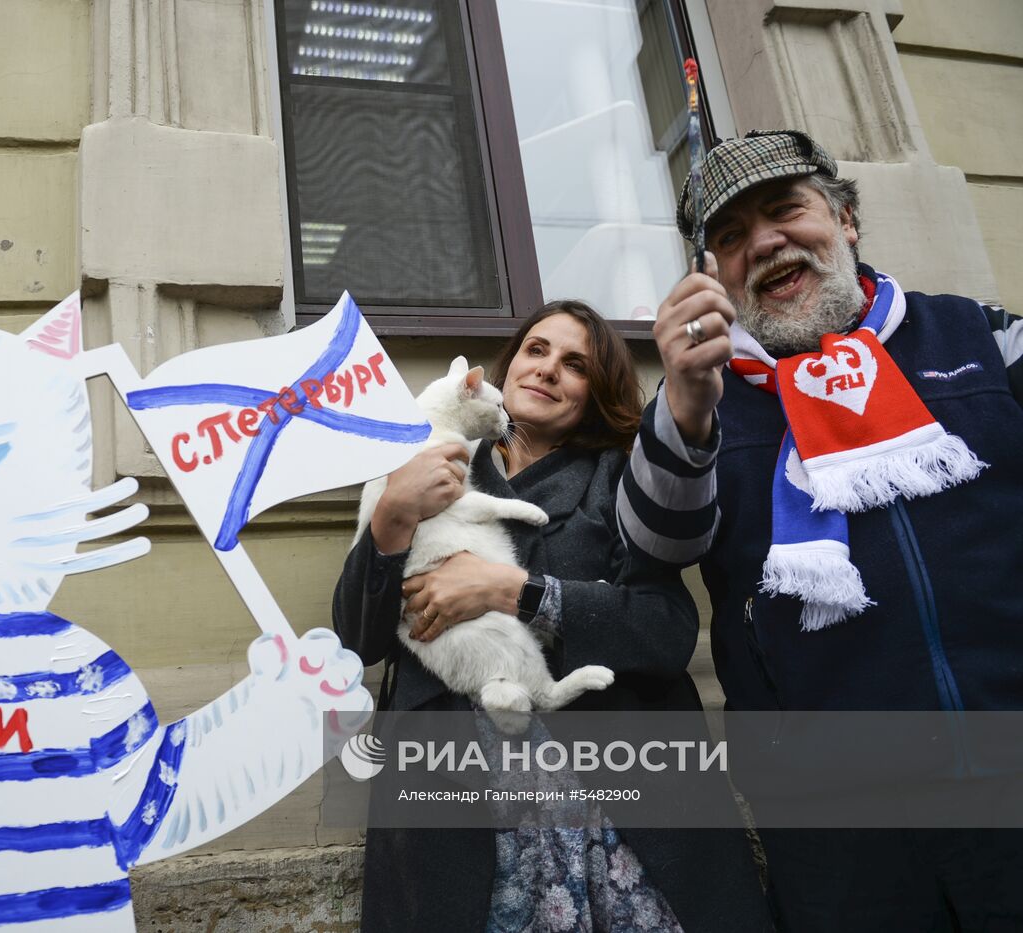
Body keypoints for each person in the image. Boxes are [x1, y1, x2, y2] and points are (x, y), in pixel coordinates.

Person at [618, 129, 1023, 931]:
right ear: (714, 276)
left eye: (784, 211)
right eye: (730, 237)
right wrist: (686, 407)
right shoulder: (703, 394)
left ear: (845, 219)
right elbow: (649, 548)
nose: (763, 244)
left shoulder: (979, 336)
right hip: (835, 829)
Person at [333, 300, 772, 932]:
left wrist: (512, 590)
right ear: (504, 370)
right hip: (462, 807)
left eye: (574, 365)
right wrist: (392, 515)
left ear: (595, 395)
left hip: (614, 810)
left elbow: (666, 630)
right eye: (534, 351)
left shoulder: (624, 481)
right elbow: (358, 639)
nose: (545, 371)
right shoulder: (429, 465)